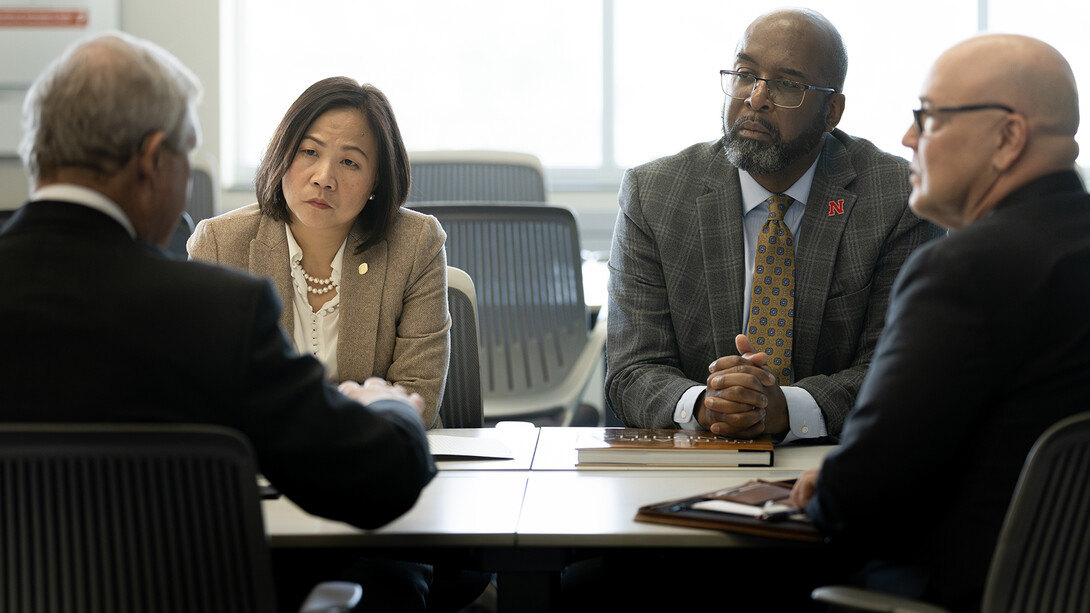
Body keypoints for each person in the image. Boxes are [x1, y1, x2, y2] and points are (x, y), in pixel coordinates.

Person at [0, 31, 438, 609]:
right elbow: (377, 481)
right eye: (188, 155)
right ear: (155, 161)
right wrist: (390, 409)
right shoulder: (212, 312)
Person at [790, 34, 1090, 611]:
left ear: (1008, 138)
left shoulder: (963, 270)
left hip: (950, 592)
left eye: (927, 118)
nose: (907, 138)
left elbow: (864, 494)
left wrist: (828, 488)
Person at [605, 8, 944, 441]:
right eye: (745, 74)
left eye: (786, 84)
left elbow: (902, 370)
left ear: (832, 111)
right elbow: (631, 369)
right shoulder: (654, 193)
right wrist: (709, 405)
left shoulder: (897, 197)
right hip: (694, 453)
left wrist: (788, 407)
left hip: (839, 459)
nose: (756, 98)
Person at [188, 77, 449, 429]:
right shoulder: (219, 244)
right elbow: (205, 391)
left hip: (378, 459)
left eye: (350, 163)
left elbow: (418, 396)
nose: (324, 178)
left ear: (377, 181)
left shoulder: (416, 243)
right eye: (310, 152)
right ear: (282, 154)